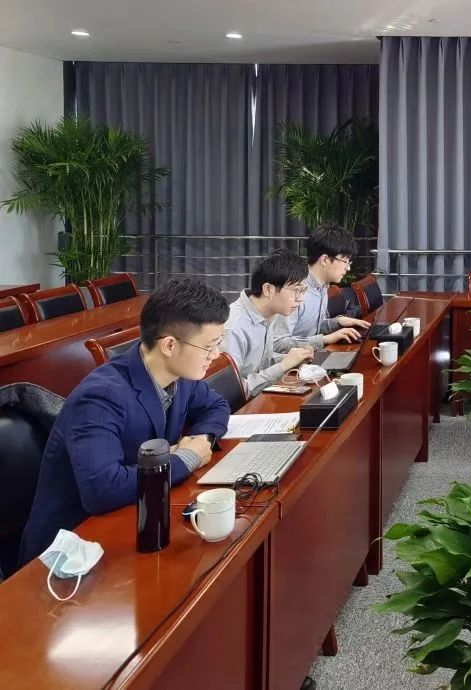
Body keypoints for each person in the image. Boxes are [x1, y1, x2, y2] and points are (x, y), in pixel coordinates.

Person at [20, 278, 231, 563]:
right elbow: (101, 489)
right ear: (169, 345)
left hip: (137, 516)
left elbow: (216, 406)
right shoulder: (100, 397)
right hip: (71, 552)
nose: (216, 355)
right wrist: (186, 459)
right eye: (209, 346)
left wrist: (201, 440)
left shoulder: (179, 373)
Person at [224, 249, 316, 398]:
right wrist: (283, 366)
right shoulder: (234, 327)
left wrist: (290, 358)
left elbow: (259, 363)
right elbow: (233, 391)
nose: (300, 298)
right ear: (268, 289)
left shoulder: (268, 313)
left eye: (303, 290)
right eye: (296, 290)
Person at [277, 223, 370, 351]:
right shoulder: (294, 290)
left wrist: (337, 322)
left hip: (312, 355)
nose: (348, 268)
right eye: (345, 261)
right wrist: (324, 339)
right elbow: (277, 343)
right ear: (325, 260)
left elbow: (311, 328)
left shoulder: (322, 286)